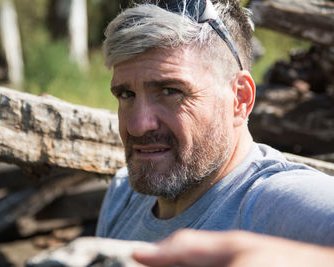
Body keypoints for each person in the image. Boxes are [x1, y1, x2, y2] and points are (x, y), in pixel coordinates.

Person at [96, 0, 334, 247]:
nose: (138, 125)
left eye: (170, 91)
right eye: (126, 95)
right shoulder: (124, 195)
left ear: (240, 99)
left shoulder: (275, 203)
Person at [132, 229, 334, 267]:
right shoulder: (125, 187)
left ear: (241, 112)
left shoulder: (291, 196)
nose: (138, 126)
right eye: (128, 111)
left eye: (175, 111)